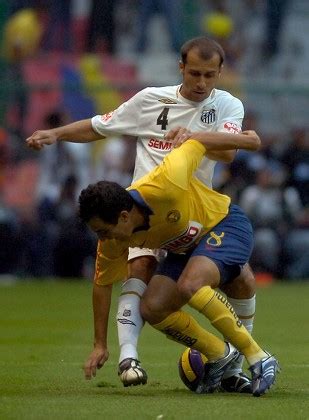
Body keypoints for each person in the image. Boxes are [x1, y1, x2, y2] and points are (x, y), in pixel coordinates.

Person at [26, 36, 257, 393]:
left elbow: (228, 153)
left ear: (220, 73)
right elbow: (99, 125)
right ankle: (128, 357)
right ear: (181, 68)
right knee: (140, 268)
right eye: (194, 73)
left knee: (241, 280)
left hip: (195, 211)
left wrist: (194, 136)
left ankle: (233, 365)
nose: (201, 83)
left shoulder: (227, 104)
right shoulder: (150, 100)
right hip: (143, 211)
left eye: (210, 75)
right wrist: (55, 134)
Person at [78, 129, 279, 397]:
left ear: (124, 216)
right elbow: (102, 286)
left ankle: (259, 358)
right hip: (185, 249)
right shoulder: (112, 241)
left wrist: (248, 140)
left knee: (193, 284)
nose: (102, 238)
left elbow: (196, 143)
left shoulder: (166, 181)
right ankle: (221, 354)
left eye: (103, 230)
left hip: (224, 223)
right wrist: (100, 345)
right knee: (152, 307)